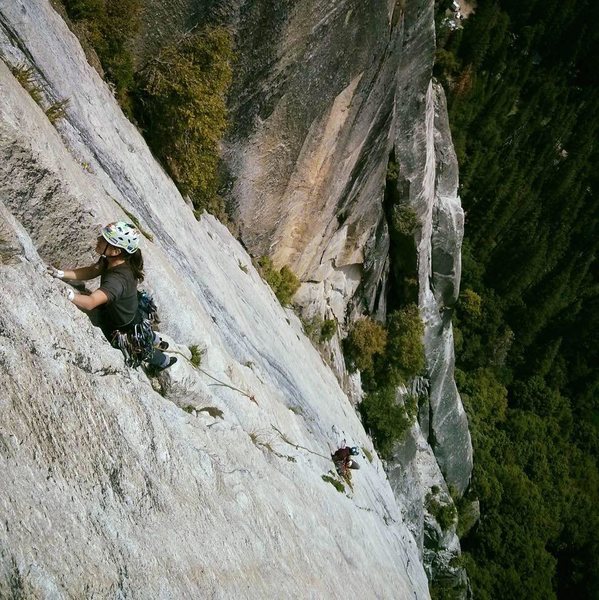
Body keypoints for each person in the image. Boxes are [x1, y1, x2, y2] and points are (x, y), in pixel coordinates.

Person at [47, 221, 177, 373]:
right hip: (130, 310)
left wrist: (67, 295)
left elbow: (90, 303)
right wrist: (62, 273)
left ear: (115, 251)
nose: (98, 239)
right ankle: (157, 340)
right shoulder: (114, 260)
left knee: (142, 350)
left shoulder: (117, 281)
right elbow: (92, 271)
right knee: (142, 327)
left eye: (104, 239)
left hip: (124, 325)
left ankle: (164, 361)